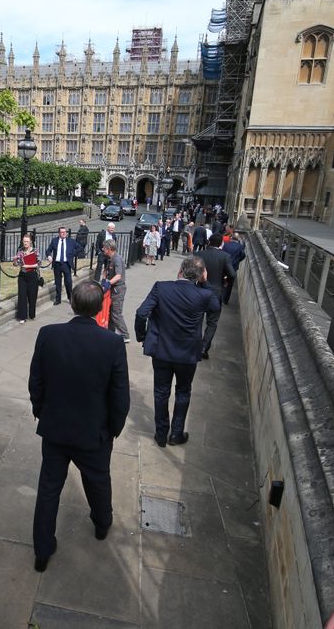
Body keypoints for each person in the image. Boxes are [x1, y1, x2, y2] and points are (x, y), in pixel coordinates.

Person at [29, 280, 130, 572]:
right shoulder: (111, 343)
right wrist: (113, 428)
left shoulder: (48, 335)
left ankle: (42, 550)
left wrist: (42, 412)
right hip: (93, 432)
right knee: (98, 482)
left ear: (73, 304)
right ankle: (102, 524)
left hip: (56, 428)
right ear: (100, 308)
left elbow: (36, 382)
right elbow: (120, 395)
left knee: (49, 489)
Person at [135, 258, 220, 447]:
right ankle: (176, 434)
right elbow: (216, 307)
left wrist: (142, 336)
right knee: (183, 391)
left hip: (162, 351)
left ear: (180, 270)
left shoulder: (161, 287)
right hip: (187, 353)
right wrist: (205, 282)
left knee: (161, 392)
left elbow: (141, 313)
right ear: (200, 275)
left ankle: (161, 433)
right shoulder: (204, 294)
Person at [199, 234, 237, 359]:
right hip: (215, 293)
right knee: (212, 323)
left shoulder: (200, 254)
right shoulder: (225, 256)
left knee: (197, 319)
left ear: (209, 242)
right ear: (221, 243)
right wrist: (225, 281)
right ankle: (204, 348)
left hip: (199, 291)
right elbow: (232, 274)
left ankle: (193, 345)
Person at [101, 239, 130, 343]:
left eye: (104, 247)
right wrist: (104, 279)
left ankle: (125, 335)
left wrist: (108, 283)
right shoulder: (110, 259)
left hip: (118, 290)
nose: (102, 249)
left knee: (116, 313)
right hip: (113, 289)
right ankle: (111, 332)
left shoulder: (117, 259)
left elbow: (118, 276)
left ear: (109, 249)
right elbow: (106, 271)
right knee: (111, 312)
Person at [45, 227, 80, 305]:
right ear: (59, 233)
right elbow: (48, 250)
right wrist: (49, 256)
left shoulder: (70, 241)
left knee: (68, 282)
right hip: (57, 264)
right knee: (58, 282)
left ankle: (70, 297)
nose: (64, 233)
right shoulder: (54, 241)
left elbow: (79, 248)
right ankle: (58, 299)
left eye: (65, 232)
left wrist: (72, 255)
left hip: (66, 264)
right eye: (62, 232)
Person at [13, 235, 41, 323]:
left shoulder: (35, 251)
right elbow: (16, 264)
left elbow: (39, 263)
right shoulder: (20, 251)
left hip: (32, 275)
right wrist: (14, 260)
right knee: (22, 295)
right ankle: (22, 317)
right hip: (22, 276)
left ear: (30, 242)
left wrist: (28, 265)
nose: (25, 243)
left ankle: (31, 314)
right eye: (24, 241)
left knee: (32, 296)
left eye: (27, 241)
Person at [221, 233, 246, 305]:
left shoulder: (225, 245)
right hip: (233, 267)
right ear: (238, 239)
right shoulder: (240, 247)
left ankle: (220, 296)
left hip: (224, 265)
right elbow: (243, 255)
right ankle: (225, 300)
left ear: (231, 238)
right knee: (230, 284)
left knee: (221, 280)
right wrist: (237, 261)